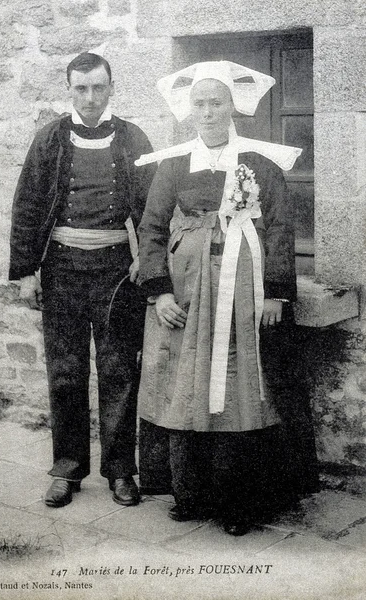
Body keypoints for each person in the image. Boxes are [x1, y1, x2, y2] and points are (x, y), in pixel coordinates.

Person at [135, 61, 319, 535]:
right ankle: (191, 494)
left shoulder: (259, 162)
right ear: (188, 109)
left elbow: (279, 227)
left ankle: (240, 502)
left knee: (241, 386)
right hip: (186, 292)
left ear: (233, 105)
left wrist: (276, 294)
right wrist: (159, 294)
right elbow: (152, 230)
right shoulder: (174, 164)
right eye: (200, 103)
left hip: (243, 291)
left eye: (217, 102)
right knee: (188, 383)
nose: (209, 112)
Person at [9, 52, 156, 508]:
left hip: (116, 271)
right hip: (62, 271)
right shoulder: (49, 139)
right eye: (81, 89)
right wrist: (27, 271)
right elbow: (27, 206)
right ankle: (68, 469)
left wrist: (144, 262)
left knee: (118, 371)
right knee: (67, 373)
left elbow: (153, 210)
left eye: (98, 87)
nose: (90, 98)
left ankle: (120, 471)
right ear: (69, 89)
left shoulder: (134, 138)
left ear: (112, 87)